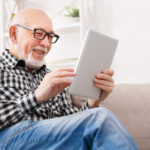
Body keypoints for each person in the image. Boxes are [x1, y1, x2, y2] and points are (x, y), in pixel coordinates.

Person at [0, 8, 138, 150]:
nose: (46, 44)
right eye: (39, 33)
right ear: (13, 35)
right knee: (100, 119)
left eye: (50, 37)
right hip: (9, 141)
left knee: (97, 120)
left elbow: (72, 123)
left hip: (51, 142)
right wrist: (36, 96)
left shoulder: (51, 77)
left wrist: (93, 101)